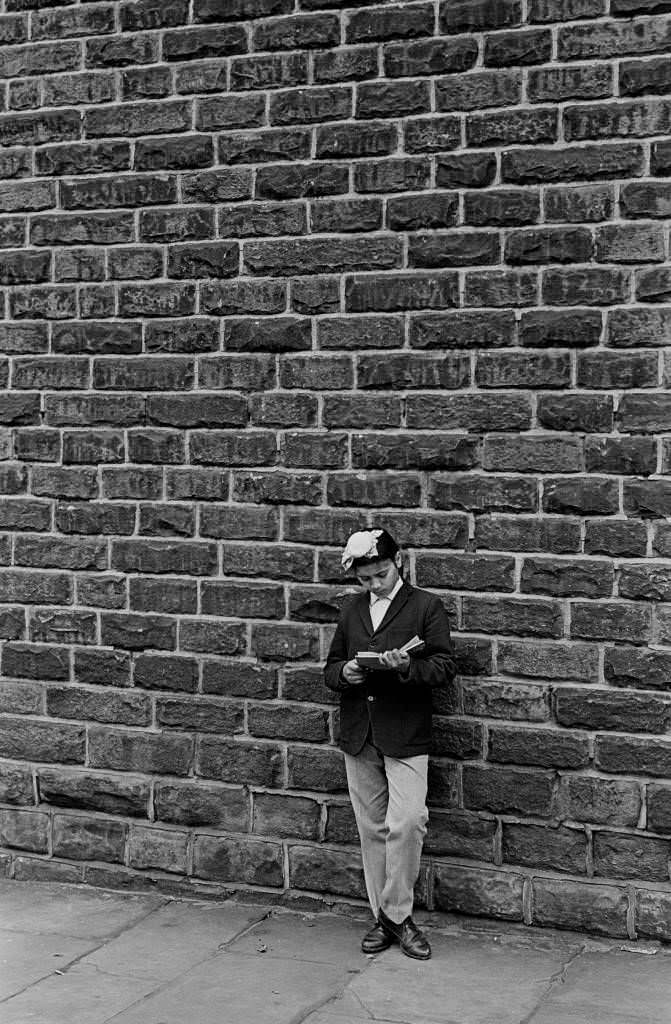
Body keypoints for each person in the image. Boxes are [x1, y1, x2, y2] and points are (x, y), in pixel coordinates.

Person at [324, 528, 456, 960]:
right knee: (371, 830)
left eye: (380, 574)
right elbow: (330, 669)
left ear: (398, 561)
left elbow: (443, 667)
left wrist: (404, 669)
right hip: (360, 732)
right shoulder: (352, 610)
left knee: (408, 822)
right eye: (366, 579)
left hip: (405, 733)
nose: (375, 584)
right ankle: (386, 917)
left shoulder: (425, 606)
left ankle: (395, 915)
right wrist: (346, 673)